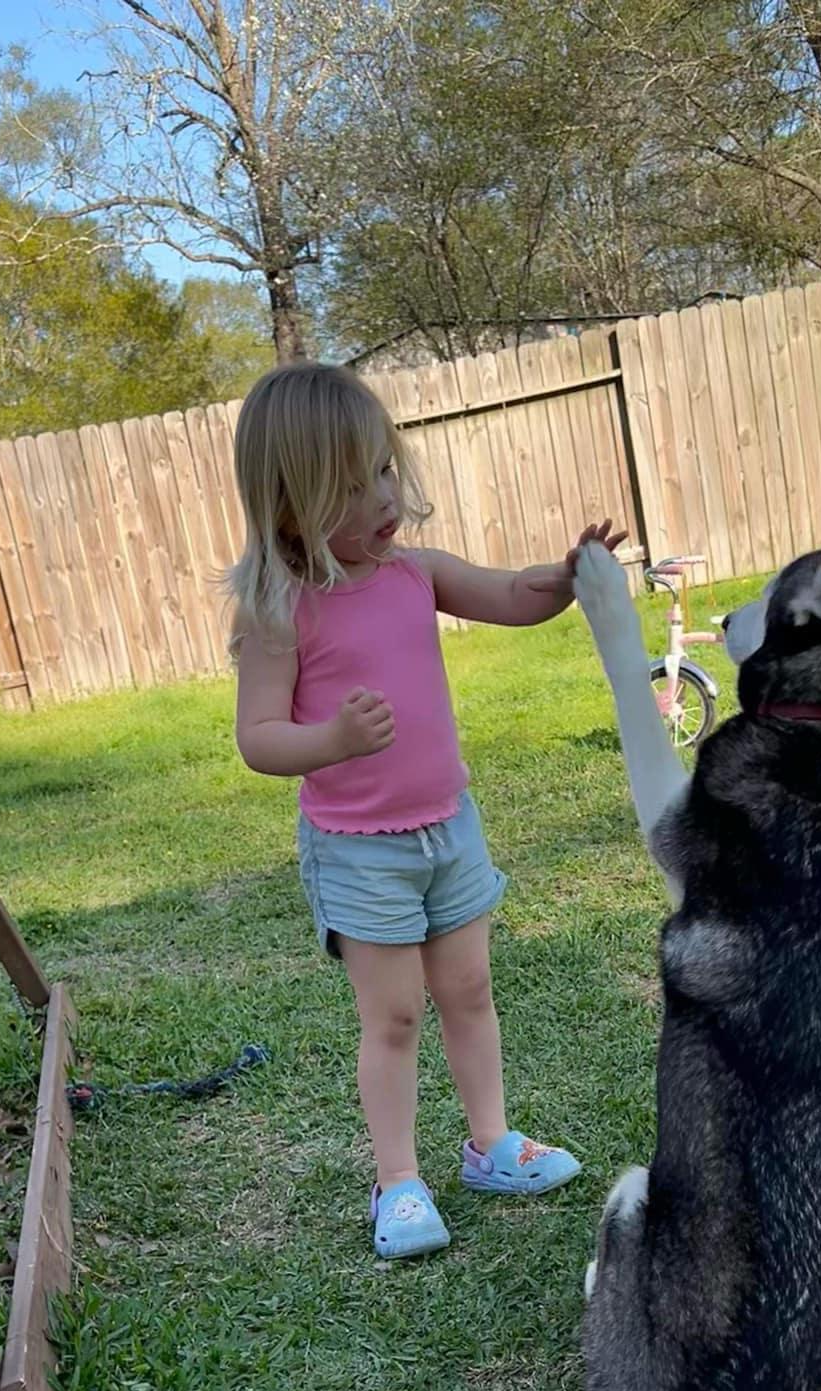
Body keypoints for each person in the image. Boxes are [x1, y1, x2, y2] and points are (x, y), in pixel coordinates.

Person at [229, 359, 625, 1259]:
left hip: (449, 825)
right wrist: (329, 740)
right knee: (396, 1013)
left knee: (470, 989)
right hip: (359, 847)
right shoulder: (279, 610)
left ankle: (490, 1144)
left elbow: (508, 595)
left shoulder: (414, 574)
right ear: (290, 504)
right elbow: (257, 737)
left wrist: (568, 576)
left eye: (384, 471)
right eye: (355, 484)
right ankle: (397, 1180)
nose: (383, 497)